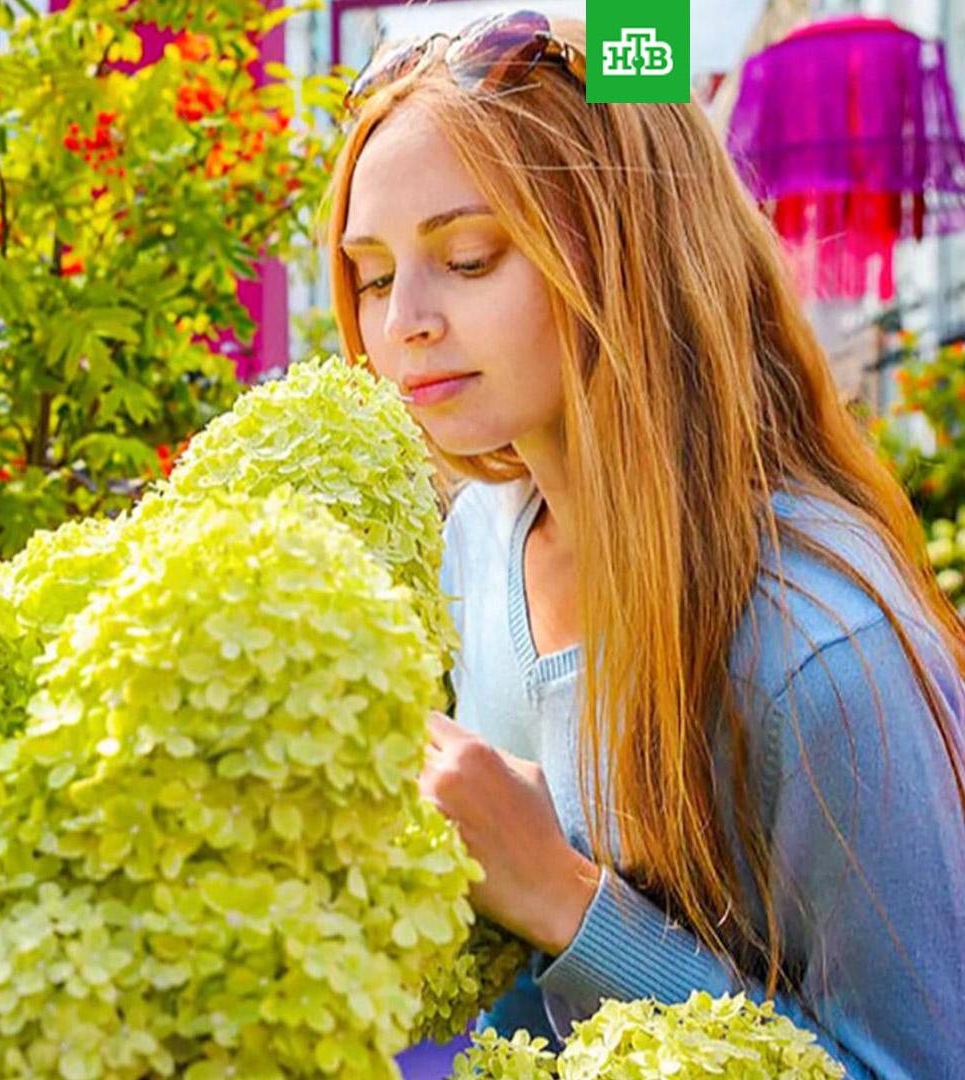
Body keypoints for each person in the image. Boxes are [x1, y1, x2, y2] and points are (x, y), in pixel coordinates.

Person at [322, 11, 965, 1078]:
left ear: (629, 249)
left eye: (469, 257)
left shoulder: (820, 654)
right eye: (376, 275)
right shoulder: (479, 545)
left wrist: (569, 902)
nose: (402, 325)